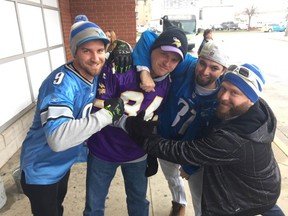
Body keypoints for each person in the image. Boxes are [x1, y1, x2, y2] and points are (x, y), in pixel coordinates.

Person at [125, 63, 284, 216]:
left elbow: (182, 152)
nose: (223, 97)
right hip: (263, 183)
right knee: (268, 204)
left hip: (247, 198)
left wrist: (140, 135)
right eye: (223, 88)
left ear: (251, 99)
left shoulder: (234, 141)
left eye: (234, 92)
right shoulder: (258, 109)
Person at [19, 15, 124, 216]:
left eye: (100, 50)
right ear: (74, 51)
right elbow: (58, 139)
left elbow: (142, 48)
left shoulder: (92, 70)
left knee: (58, 209)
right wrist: (107, 115)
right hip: (41, 170)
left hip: (61, 166)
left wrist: (124, 47)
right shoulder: (61, 85)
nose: (95, 58)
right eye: (87, 51)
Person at [83, 26, 188, 216]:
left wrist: (152, 149)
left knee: (139, 201)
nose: (167, 62)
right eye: (164, 54)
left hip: (137, 152)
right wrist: (127, 123)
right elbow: (98, 107)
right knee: (94, 205)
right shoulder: (121, 67)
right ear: (152, 50)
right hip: (103, 148)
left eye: (174, 59)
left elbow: (156, 118)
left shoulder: (170, 81)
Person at [133, 32, 229, 216]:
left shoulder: (222, 97)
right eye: (203, 63)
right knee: (172, 177)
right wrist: (144, 71)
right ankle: (179, 202)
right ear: (197, 58)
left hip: (194, 149)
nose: (205, 71)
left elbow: (214, 136)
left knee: (200, 192)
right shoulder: (187, 66)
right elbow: (147, 37)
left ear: (223, 70)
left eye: (214, 68)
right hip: (166, 139)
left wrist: (191, 164)